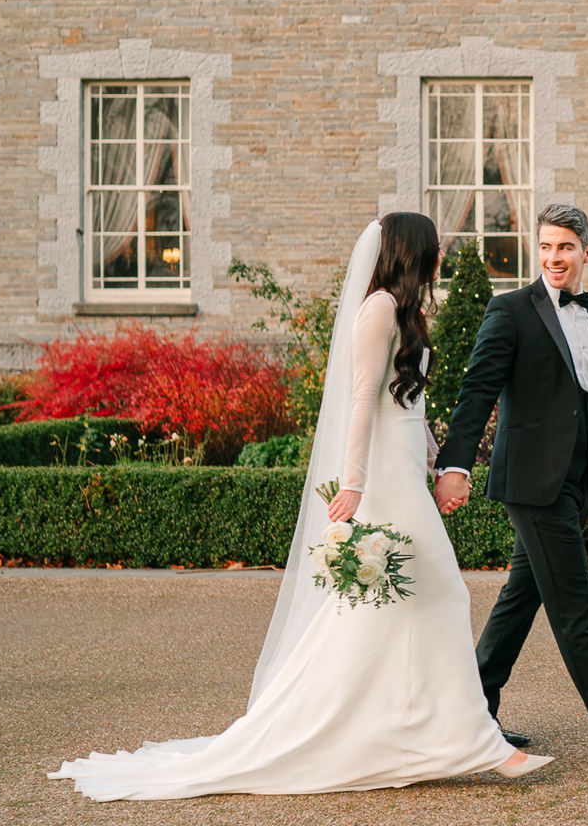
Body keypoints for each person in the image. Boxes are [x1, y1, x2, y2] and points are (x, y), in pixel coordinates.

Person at [50, 214, 552, 801]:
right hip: (382, 481)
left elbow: (406, 405)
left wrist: (439, 463)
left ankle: (422, 732)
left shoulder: (406, 313)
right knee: (438, 592)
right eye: (436, 249)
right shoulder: (379, 310)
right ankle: (475, 741)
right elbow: (362, 399)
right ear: (416, 254)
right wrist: (357, 484)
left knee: (397, 606)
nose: (442, 257)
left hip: (404, 475)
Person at [435, 203, 588, 761]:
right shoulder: (510, 312)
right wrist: (455, 466)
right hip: (532, 481)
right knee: (575, 605)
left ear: (586, 253)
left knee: (519, 600)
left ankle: (469, 716)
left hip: (574, 481)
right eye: (546, 246)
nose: (554, 257)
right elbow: (477, 393)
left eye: (566, 247)